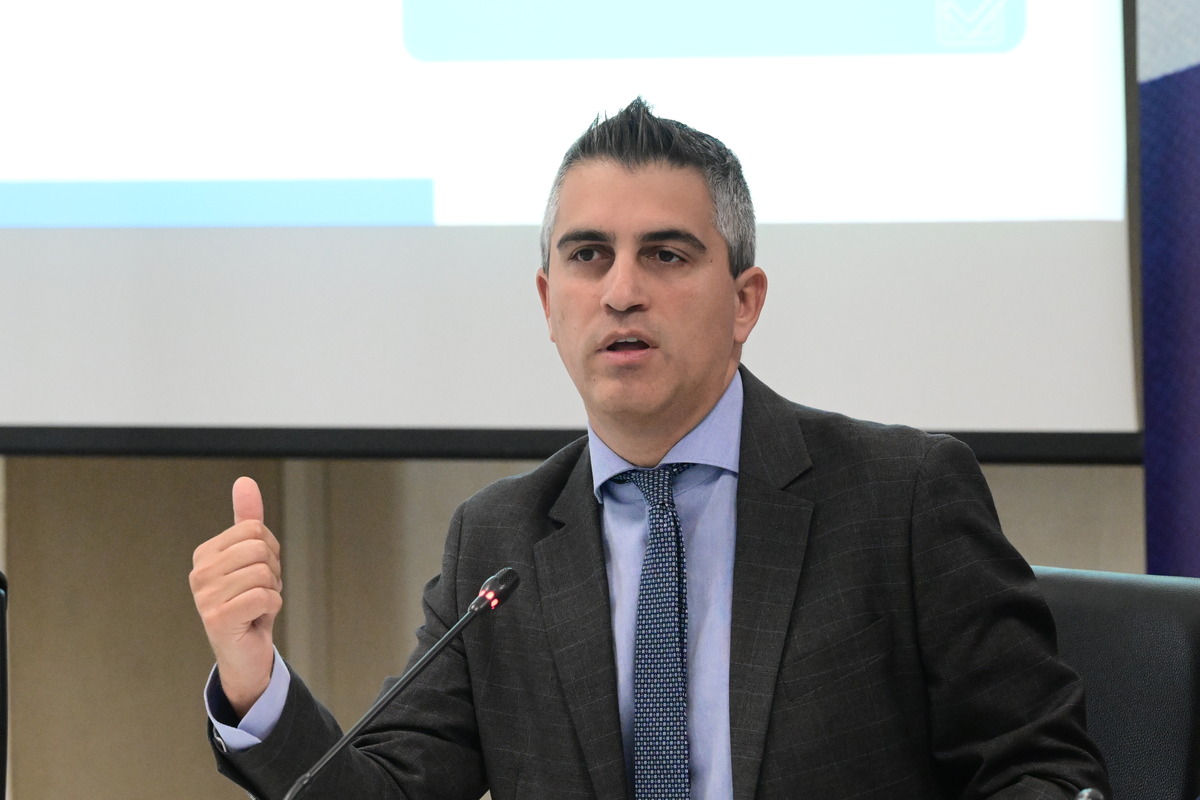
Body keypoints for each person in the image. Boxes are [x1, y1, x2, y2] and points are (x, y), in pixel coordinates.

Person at [189, 98, 1110, 799]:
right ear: (549, 303)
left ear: (744, 301)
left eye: (666, 255)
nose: (621, 290)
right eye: (588, 256)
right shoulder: (499, 540)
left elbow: (1039, 769)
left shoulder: (900, 498)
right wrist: (255, 679)